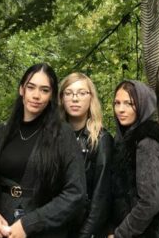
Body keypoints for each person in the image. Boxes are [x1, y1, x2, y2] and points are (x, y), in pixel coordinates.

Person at [0, 63, 86, 238]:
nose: (36, 95)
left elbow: (76, 193)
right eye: (31, 87)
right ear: (21, 90)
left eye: (44, 90)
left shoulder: (62, 135)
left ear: (52, 96)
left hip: (42, 230)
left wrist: (29, 224)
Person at [108, 80, 159, 238]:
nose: (121, 109)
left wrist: (121, 234)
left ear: (143, 105)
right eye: (117, 103)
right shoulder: (124, 141)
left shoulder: (147, 143)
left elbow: (150, 202)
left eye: (129, 104)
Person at [58, 72, 113, 238]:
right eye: (69, 93)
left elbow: (101, 197)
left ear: (91, 98)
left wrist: (86, 234)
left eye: (82, 93)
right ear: (61, 99)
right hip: (53, 226)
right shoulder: (52, 136)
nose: (75, 99)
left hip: (85, 228)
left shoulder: (101, 139)